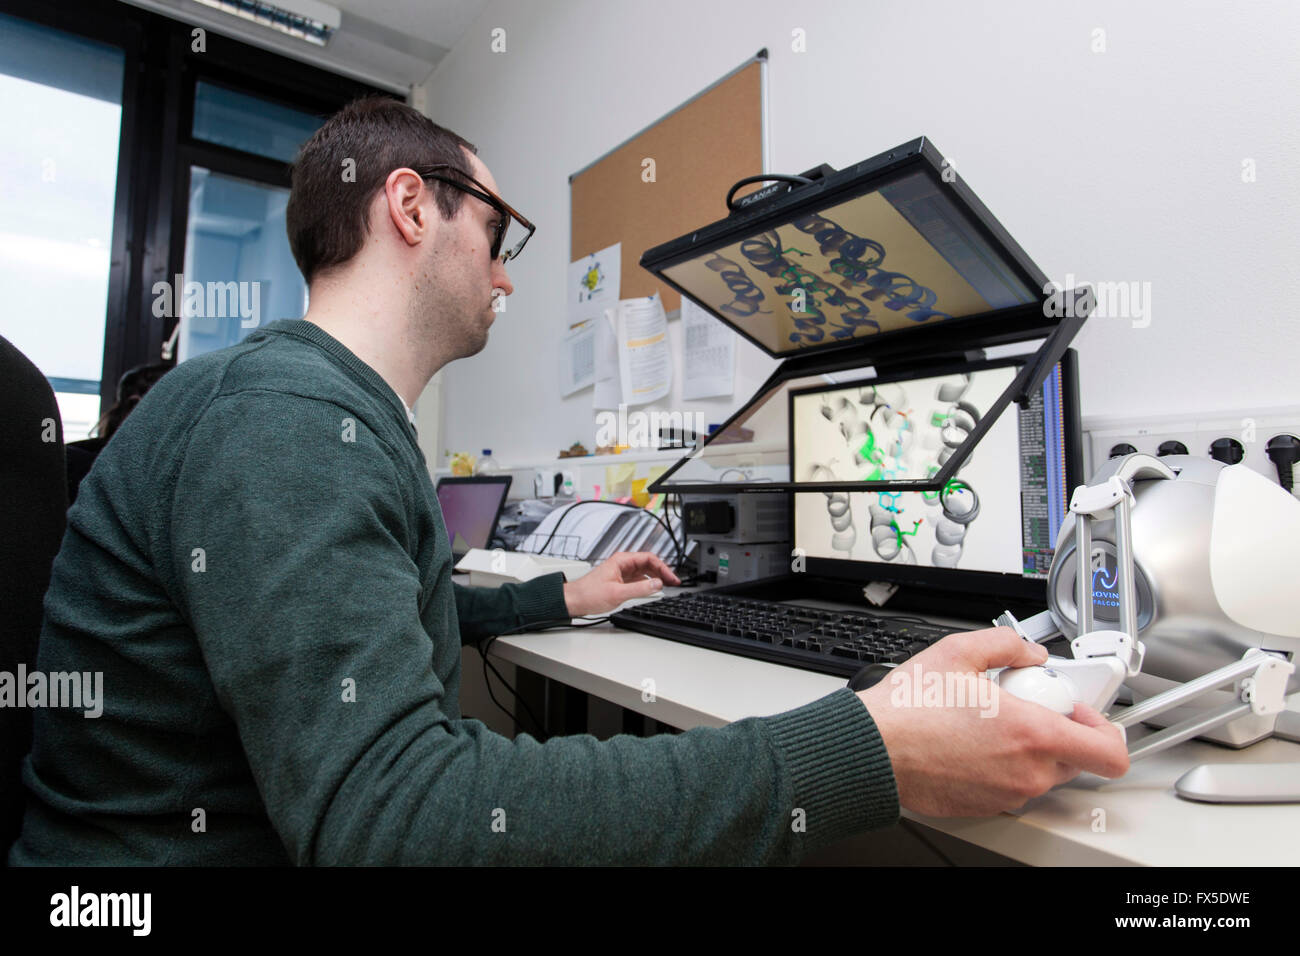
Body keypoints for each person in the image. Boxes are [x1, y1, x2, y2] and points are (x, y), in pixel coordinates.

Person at [9, 97, 1127, 866]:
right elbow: (391, 818)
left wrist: (559, 597)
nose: (504, 275)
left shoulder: (302, 404)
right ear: (410, 207)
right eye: (498, 233)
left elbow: (373, 608)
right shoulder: (286, 423)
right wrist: (862, 752)